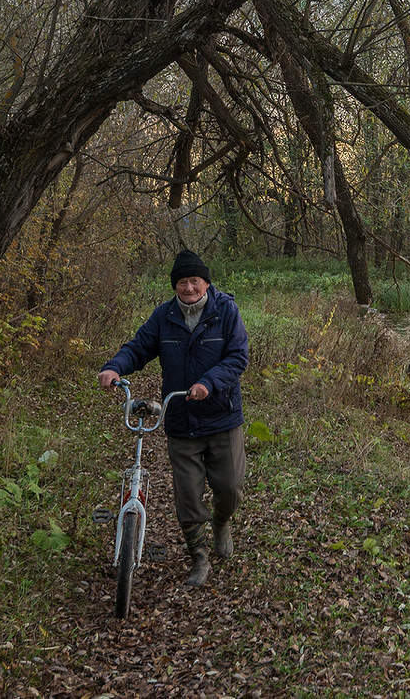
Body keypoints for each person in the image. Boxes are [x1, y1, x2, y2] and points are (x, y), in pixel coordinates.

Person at [98, 249, 248, 586]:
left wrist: (209, 383)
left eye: (194, 280)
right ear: (175, 286)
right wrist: (114, 367)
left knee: (229, 487)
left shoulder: (226, 311)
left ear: (206, 283)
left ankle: (222, 522)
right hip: (181, 420)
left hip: (222, 416)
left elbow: (238, 357)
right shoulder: (164, 316)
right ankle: (199, 558)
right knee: (188, 496)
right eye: (182, 282)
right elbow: (139, 347)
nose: (189, 288)